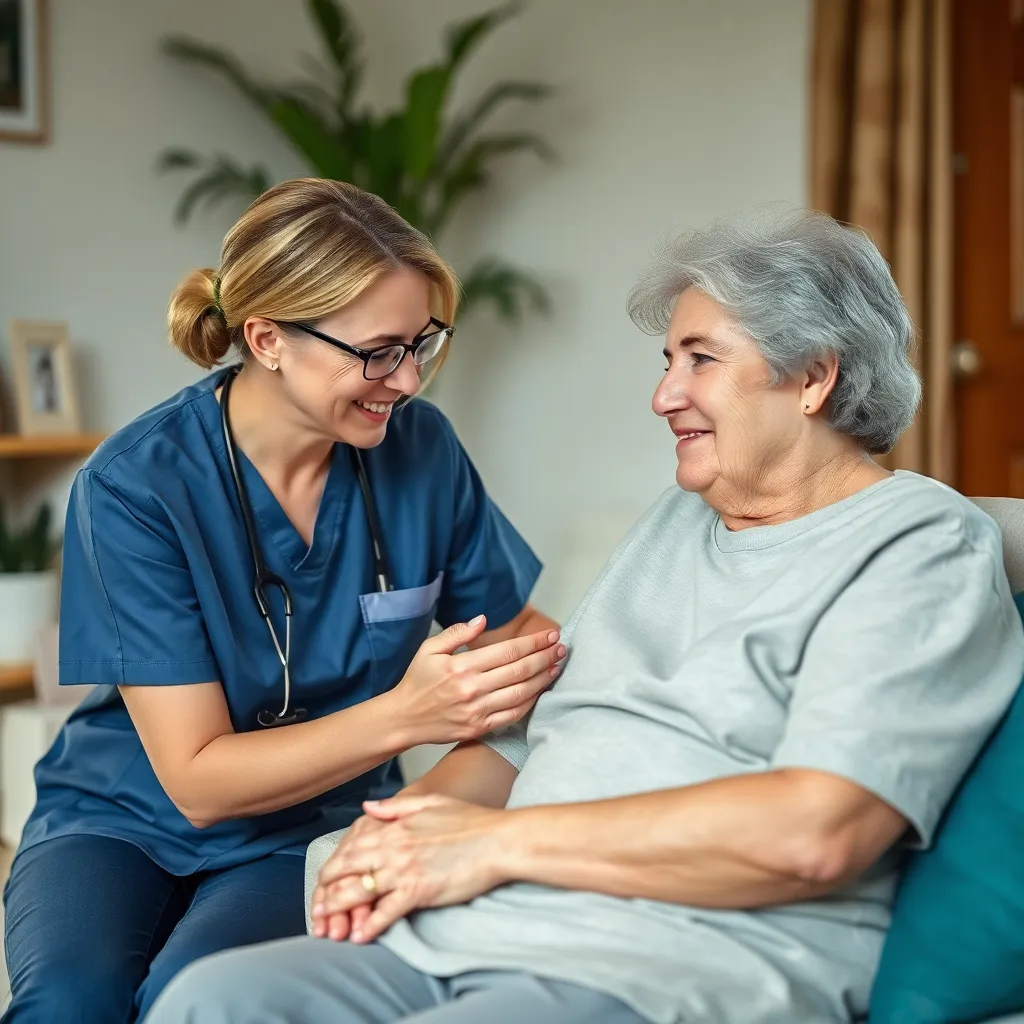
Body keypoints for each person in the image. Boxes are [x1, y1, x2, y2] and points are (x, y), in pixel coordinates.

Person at [147, 208, 1024, 1024]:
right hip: (489, 923)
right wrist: (399, 841)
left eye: (700, 360)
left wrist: (495, 847)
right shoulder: (683, 518)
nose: (664, 396)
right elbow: (524, 739)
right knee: (213, 999)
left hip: (678, 959)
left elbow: (817, 830)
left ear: (813, 378)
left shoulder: (920, 545)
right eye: (666, 362)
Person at [1, 178, 563, 1024]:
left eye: (421, 345)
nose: (406, 380)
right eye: (377, 351)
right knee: (68, 1005)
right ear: (266, 338)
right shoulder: (135, 486)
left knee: (192, 1003)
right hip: (119, 815)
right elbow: (196, 782)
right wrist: (409, 715)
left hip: (309, 826)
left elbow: (524, 641)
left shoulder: (421, 452)